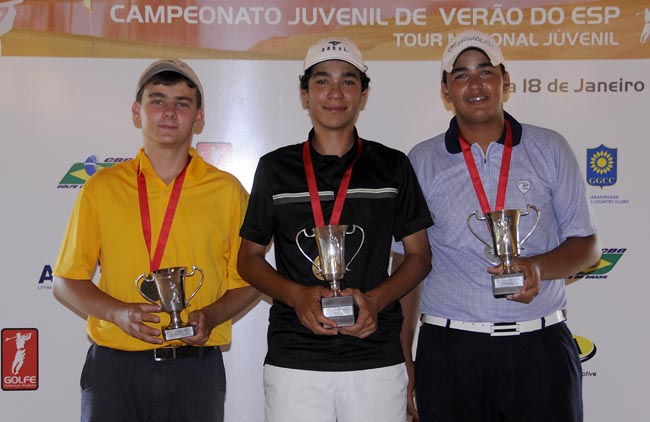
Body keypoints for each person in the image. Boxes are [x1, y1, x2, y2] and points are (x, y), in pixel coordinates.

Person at [395, 30, 601, 422]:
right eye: (461, 75)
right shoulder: (421, 161)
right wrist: (405, 356)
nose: (475, 84)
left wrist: (537, 268)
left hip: (540, 347)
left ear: (506, 82)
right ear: (445, 90)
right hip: (450, 349)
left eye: (486, 72)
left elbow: (587, 246)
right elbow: (408, 265)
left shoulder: (549, 147)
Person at [237, 38, 432, 422]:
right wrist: (297, 296)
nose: (335, 93)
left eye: (348, 81)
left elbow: (419, 256)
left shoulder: (391, 166)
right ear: (304, 94)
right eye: (322, 81)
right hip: (296, 359)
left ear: (363, 93)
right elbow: (249, 258)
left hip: (375, 356)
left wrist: (375, 301)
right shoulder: (275, 168)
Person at [53, 59, 258, 422]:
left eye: (182, 103)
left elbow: (250, 281)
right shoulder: (101, 188)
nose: (169, 112)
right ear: (137, 111)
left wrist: (211, 315)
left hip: (196, 370)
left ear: (199, 117)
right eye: (158, 100)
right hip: (116, 368)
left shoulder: (226, 191)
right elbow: (66, 281)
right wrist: (118, 312)